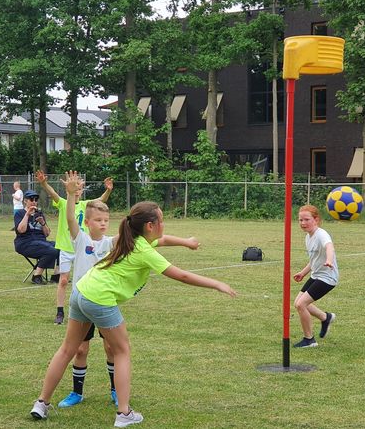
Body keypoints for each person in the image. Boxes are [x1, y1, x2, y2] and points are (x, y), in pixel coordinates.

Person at [29, 201, 236, 428]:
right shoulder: (143, 249)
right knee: (122, 351)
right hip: (99, 298)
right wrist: (216, 284)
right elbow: (182, 276)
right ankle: (124, 413)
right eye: (162, 220)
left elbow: (163, 240)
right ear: (150, 225)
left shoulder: (131, 238)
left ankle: (41, 403)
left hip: (81, 291)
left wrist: (186, 243)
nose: (163, 224)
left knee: (68, 349)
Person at [56, 172, 118, 408]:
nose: (103, 223)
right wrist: (71, 194)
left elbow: (133, 238)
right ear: (88, 222)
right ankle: (77, 393)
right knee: (80, 349)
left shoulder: (111, 243)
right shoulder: (80, 239)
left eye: (106, 220)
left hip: (104, 303)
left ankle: (115, 389)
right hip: (81, 304)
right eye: (98, 220)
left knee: (111, 347)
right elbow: (70, 217)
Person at [36, 169, 113, 324]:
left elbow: (100, 200)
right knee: (63, 281)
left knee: (83, 279)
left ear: (82, 190)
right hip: (66, 248)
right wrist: (44, 183)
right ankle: (60, 311)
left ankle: (84, 309)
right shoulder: (64, 203)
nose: (77, 191)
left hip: (81, 249)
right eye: (74, 188)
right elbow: (53, 194)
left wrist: (108, 190)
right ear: (68, 189)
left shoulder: (86, 205)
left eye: (79, 188)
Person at [292, 205, 339, 348]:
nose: (303, 223)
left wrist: (329, 260)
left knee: (301, 305)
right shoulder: (308, 237)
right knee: (297, 303)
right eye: (300, 220)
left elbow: (329, 247)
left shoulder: (321, 234)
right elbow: (314, 260)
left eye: (307, 219)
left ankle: (309, 340)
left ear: (316, 220)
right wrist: (303, 272)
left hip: (327, 278)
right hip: (316, 275)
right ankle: (326, 317)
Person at [13, 190, 59, 284]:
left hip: (41, 242)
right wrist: (27, 214)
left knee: (61, 247)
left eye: (36, 199)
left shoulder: (39, 214)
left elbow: (46, 234)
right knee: (51, 250)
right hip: (25, 242)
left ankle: (56, 275)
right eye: (31, 199)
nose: (34, 201)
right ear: (25, 201)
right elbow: (21, 230)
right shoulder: (20, 213)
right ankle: (36, 276)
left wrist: (43, 223)